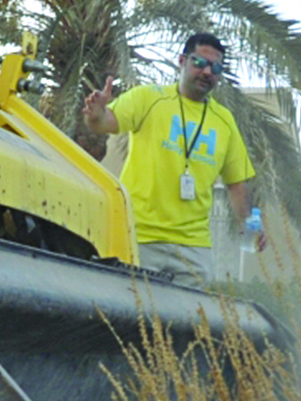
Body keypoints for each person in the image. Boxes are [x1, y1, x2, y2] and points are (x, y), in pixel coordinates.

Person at [81, 32, 266, 286]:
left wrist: (248, 223)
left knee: (188, 324)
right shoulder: (148, 98)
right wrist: (96, 113)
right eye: (199, 63)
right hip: (139, 236)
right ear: (181, 61)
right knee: (136, 321)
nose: (207, 72)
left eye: (216, 67)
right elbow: (104, 123)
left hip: (194, 248)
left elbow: (237, 182)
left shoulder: (224, 121)